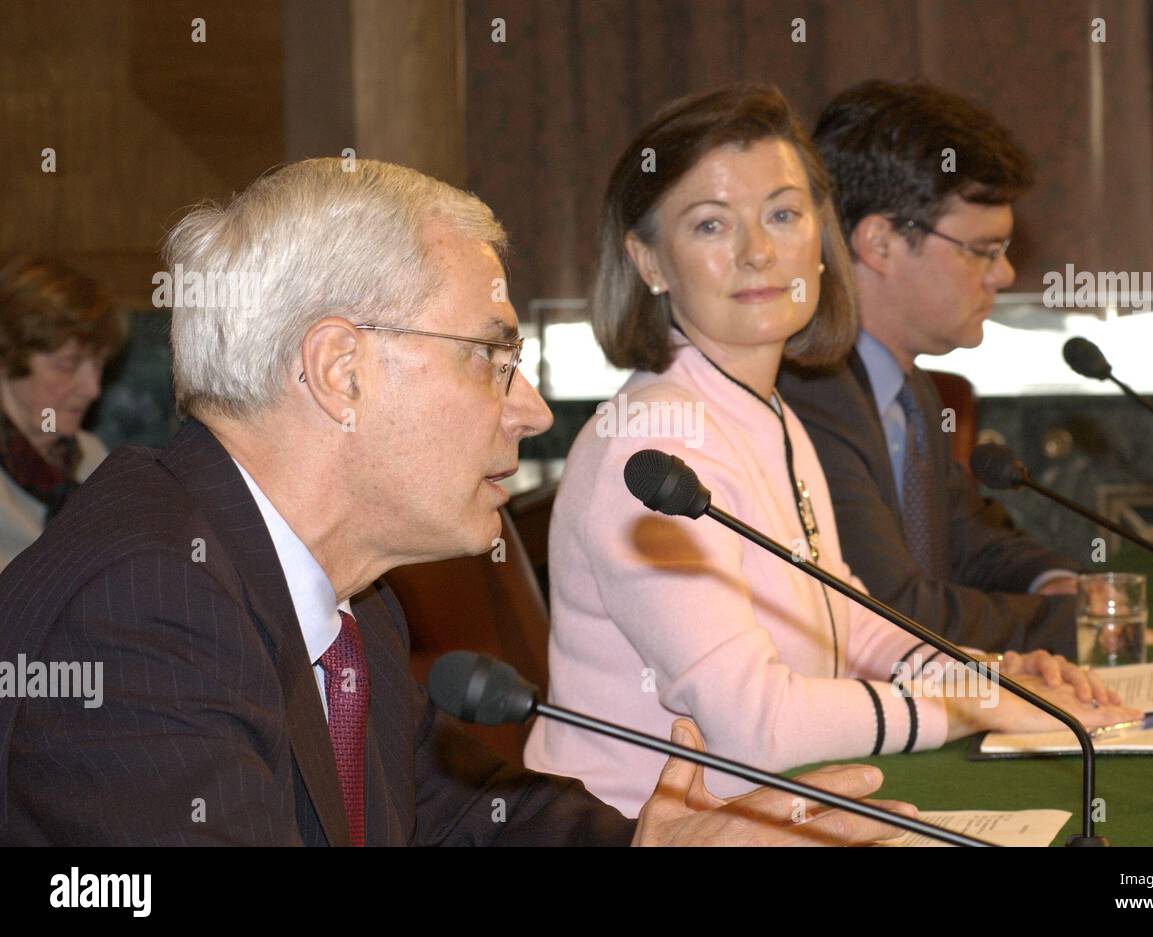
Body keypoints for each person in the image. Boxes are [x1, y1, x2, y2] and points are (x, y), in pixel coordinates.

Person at [0, 158, 910, 846]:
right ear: (340, 370)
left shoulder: (350, 602)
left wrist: (647, 840)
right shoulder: (142, 611)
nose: (534, 409)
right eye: (494, 358)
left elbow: (470, 815)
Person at [525, 85, 1138, 818]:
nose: (758, 252)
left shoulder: (767, 410)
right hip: (634, 832)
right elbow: (755, 724)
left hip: (764, 814)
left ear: (820, 240)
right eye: (712, 225)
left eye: (783, 215)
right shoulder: (652, 446)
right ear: (650, 260)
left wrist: (994, 678)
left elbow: (844, 617)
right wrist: (969, 710)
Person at [779, 80, 1113, 658]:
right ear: (879, 244)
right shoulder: (810, 393)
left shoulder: (909, 388)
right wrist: (1071, 622)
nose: (1004, 275)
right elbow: (890, 613)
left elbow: (966, 539)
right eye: (982, 250)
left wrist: (1056, 582)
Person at [0, 255, 123, 570]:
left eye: (99, 366)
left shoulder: (91, 458)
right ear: (8, 359)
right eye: (67, 365)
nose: (92, 389)